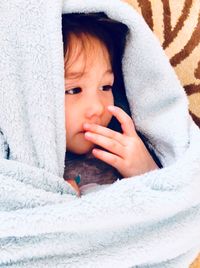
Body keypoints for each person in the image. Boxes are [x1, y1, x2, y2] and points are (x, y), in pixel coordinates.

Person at [62, 13, 162, 196]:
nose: (98, 108)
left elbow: (176, 203)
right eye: (73, 90)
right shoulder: (20, 169)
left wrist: (146, 169)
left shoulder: (126, 147)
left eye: (105, 87)